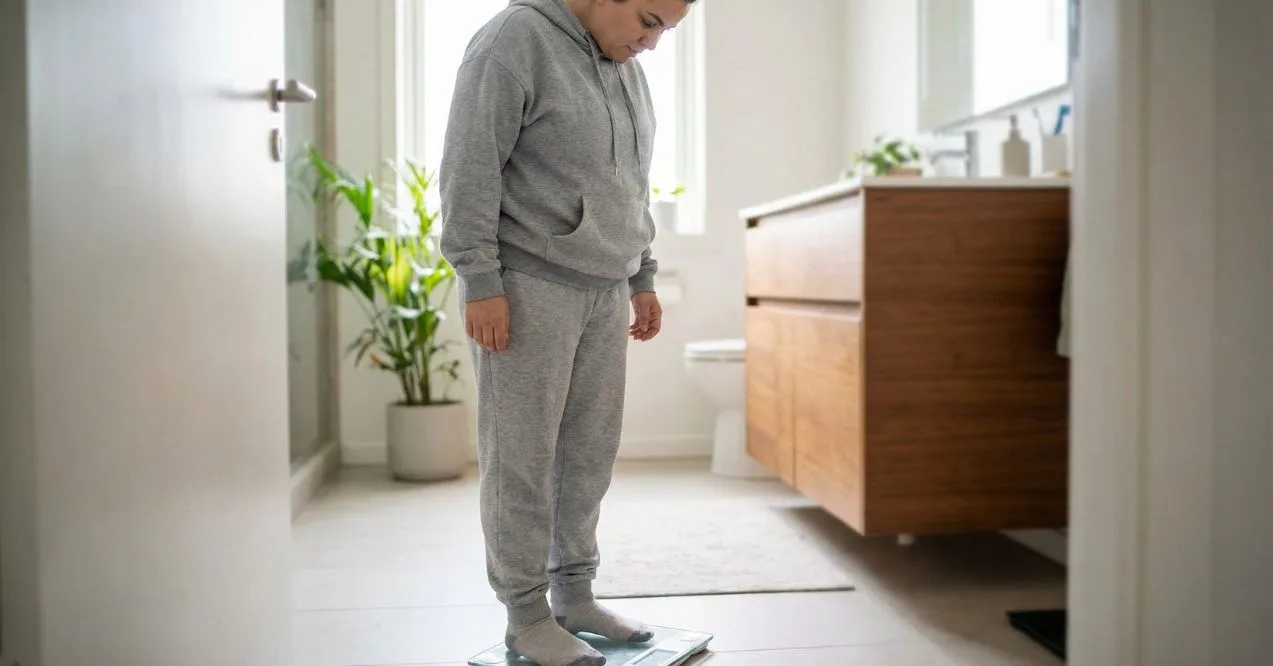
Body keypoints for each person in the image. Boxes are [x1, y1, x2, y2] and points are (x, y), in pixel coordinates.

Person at [438, 0, 698, 664]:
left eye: (665, 29)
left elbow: (631, 183)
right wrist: (480, 279)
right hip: (528, 286)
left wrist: (641, 274)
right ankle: (525, 617)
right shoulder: (512, 41)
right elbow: (470, 167)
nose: (652, 42)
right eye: (648, 21)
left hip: (604, 288)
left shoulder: (624, 65)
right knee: (521, 459)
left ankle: (573, 597)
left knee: (587, 455)